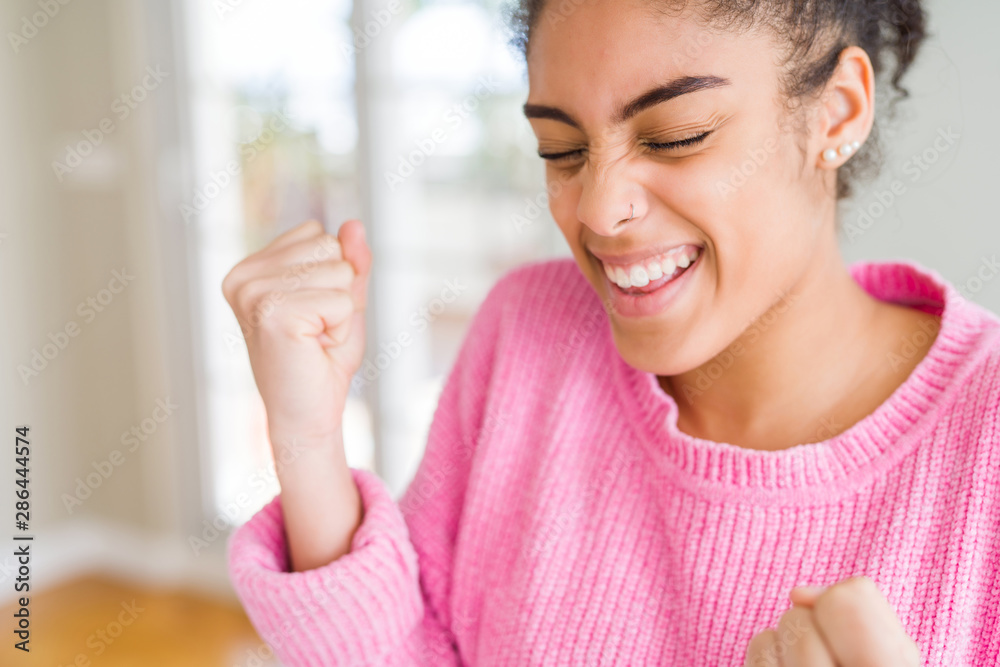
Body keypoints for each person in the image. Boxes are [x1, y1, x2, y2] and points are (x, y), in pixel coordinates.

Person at [223, 0, 1000, 664]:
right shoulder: (527, 336)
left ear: (839, 111)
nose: (597, 209)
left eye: (675, 136)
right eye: (562, 151)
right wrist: (308, 437)